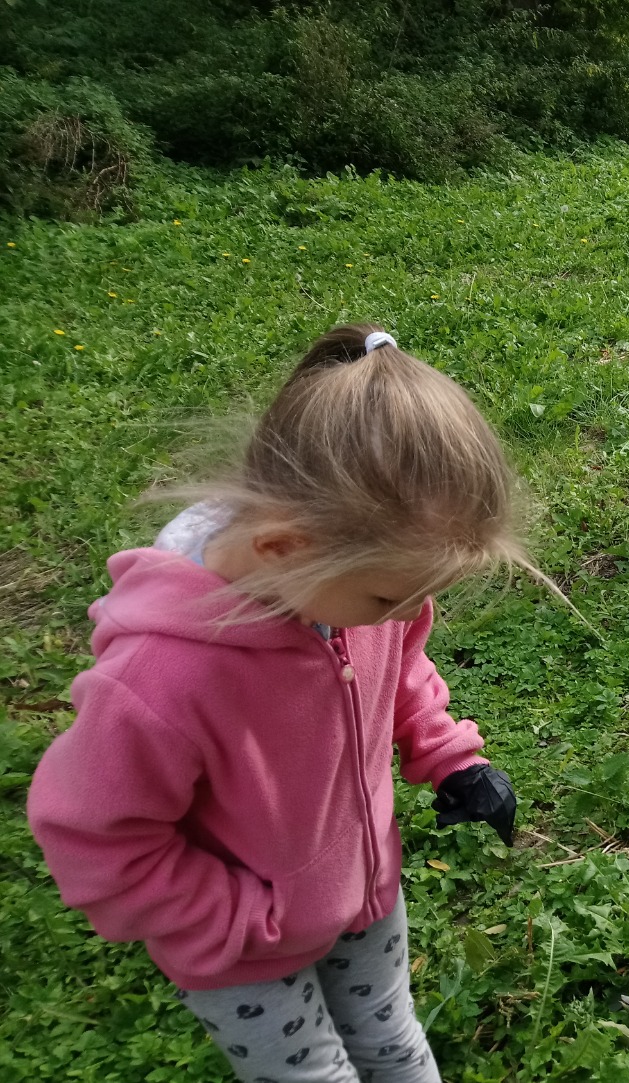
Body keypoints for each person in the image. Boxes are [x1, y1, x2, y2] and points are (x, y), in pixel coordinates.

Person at [27, 324, 536, 1082]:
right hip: (242, 951)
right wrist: (240, 918)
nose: (409, 616)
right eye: (393, 596)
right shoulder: (162, 676)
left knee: (394, 1042)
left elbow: (399, 665)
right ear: (282, 547)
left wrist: (448, 755)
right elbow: (91, 833)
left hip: (363, 894)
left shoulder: (351, 593)